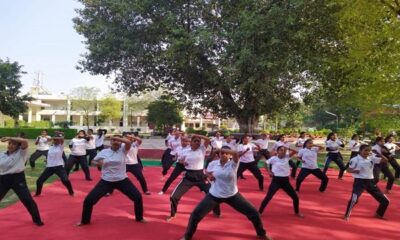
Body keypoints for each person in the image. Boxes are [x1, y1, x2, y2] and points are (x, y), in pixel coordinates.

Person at [181, 146, 271, 240]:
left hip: (232, 195)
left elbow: (236, 154)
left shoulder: (233, 164)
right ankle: (187, 236)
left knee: (254, 213)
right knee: (195, 215)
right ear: (218, 155)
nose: (223, 154)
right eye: (221, 153)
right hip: (214, 195)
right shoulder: (213, 164)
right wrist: (209, 176)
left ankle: (261, 234)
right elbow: (207, 172)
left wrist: (220, 149)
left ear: (229, 155)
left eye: (226, 153)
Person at [76, 135, 146, 226]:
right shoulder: (104, 152)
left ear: (121, 142)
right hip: (106, 181)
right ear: (110, 142)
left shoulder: (123, 150)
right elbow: (93, 162)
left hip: (122, 180)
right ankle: (85, 221)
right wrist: (98, 163)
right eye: (113, 140)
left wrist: (116, 138)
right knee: (88, 200)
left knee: (137, 197)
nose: (115, 141)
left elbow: (128, 142)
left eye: (118, 140)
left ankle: (139, 218)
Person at [167, 134, 220, 222]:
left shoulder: (202, 149)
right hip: (188, 177)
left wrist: (196, 135)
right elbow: (180, 160)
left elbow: (207, 139)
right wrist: (183, 162)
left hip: (201, 176)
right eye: (195, 141)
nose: (197, 143)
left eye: (198, 141)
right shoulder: (186, 151)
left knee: (213, 194)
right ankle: (173, 214)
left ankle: (216, 212)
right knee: (174, 197)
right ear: (191, 143)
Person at [0, 136, 44, 226]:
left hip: (18, 179)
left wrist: (9, 138)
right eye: (10, 143)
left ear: (18, 146)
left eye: (14, 144)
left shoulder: (21, 153)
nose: (11, 145)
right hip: (3, 179)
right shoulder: (2, 154)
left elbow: (25, 141)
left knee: (28, 200)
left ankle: (37, 220)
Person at [344, 144, 389, 221]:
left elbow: (385, 160)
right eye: (365, 150)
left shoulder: (372, 158)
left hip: (370, 182)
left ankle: (379, 214)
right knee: (354, 199)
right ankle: (346, 215)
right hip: (359, 182)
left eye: (369, 150)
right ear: (360, 150)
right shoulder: (355, 159)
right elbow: (348, 170)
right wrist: (355, 171)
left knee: (385, 201)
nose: (367, 152)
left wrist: (379, 154)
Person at [259, 145, 303, 218]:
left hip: (285, 181)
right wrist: (269, 172)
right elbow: (265, 164)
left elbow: (295, 151)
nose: (283, 151)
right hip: (276, 181)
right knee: (268, 197)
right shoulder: (273, 158)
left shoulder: (287, 157)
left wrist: (288, 148)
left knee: (295, 197)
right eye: (281, 150)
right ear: (277, 151)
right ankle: (259, 212)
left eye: (284, 150)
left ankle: (297, 212)